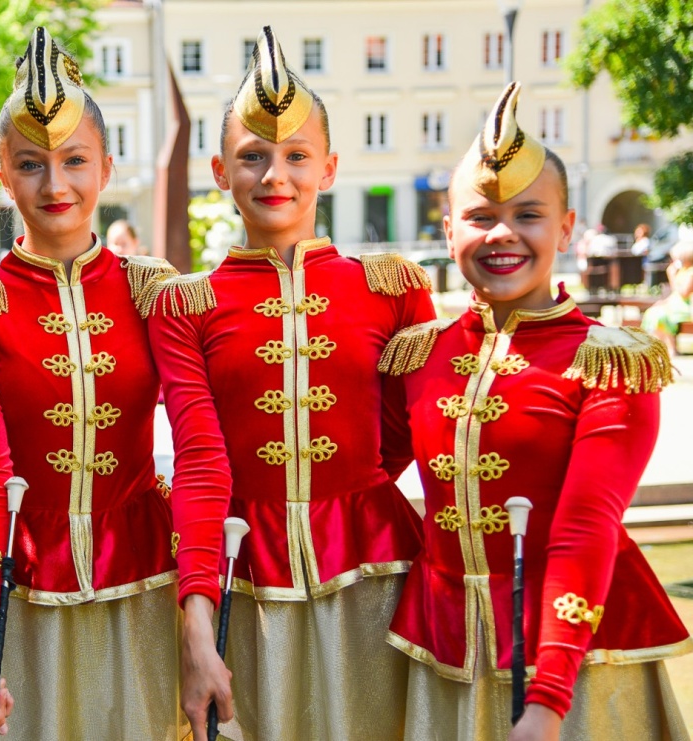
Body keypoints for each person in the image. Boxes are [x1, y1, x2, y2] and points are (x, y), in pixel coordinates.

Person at [144, 27, 435, 741]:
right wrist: (198, 610)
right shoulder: (187, 304)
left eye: (296, 156)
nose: (276, 175)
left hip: (381, 574)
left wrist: (350, 489)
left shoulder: (390, 288)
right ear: (219, 170)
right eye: (253, 157)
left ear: (329, 167)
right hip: (246, 576)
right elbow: (201, 462)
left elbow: (410, 438)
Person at [379, 82, 691, 741]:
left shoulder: (610, 361)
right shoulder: (416, 356)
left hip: (575, 671)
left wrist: (548, 699)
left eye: (528, 215)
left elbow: (586, 526)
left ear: (567, 228)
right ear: (446, 227)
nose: (502, 234)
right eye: (480, 215)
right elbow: (361, 476)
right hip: (445, 659)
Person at [0, 27, 183, 741]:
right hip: (23, 594)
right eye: (31, 164)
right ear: (4, 175)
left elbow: (202, 451)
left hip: (143, 584)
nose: (56, 185)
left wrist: (198, 615)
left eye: (74, 161)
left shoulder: (152, 290)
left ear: (106, 165)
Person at [642, 239, 693, 357]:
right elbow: (675, 295)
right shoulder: (683, 271)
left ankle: (671, 348)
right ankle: (659, 346)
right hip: (677, 304)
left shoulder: (691, 273)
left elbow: (684, 293)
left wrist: (671, 276)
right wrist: (664, 301)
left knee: (661, 315)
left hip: (686, 307)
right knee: (652, 312)